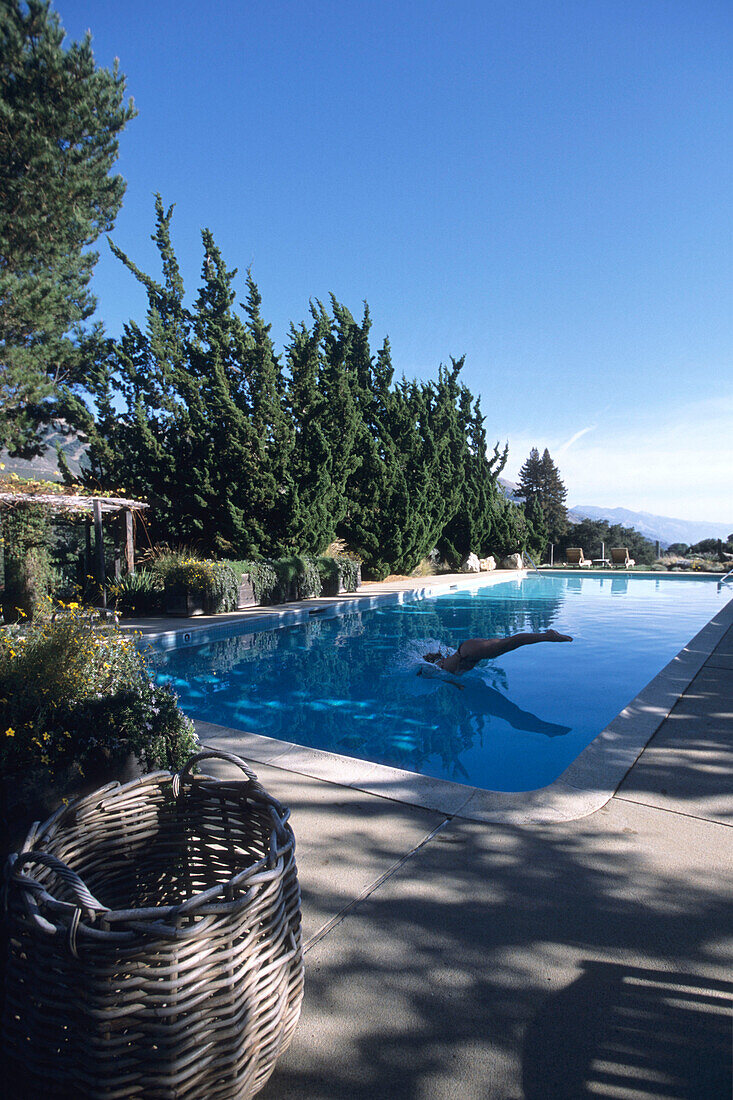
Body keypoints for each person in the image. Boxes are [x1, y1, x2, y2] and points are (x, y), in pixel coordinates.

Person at [419, 629, 572, 677]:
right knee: (508, 644)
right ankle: (546, 636)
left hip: (467, 652)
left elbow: (426, 671)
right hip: (469, 653)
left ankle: (547, 635)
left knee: (509, 643)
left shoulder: (439, 667)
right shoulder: (444, 666)